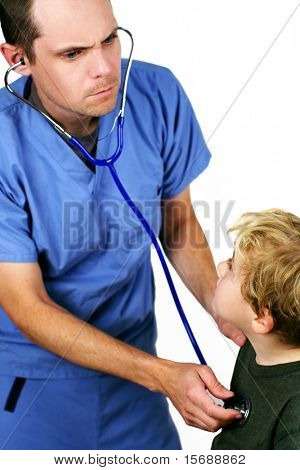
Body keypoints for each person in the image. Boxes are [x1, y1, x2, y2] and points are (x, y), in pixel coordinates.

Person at [0, 0, 245, 450]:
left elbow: (176, 218)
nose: (104, 69)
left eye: (109, 40)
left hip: (139, 392)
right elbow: (26, 303)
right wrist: (162, 376)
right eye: (73, 54)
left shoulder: (157, 92)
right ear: (18, 59)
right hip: (32, 393)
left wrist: (221, 305)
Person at [211, 208, 300, 450]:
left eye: (232, 268)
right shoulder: (255, 346)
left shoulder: (296, 415)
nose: (220, 267)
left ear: (260, 317)